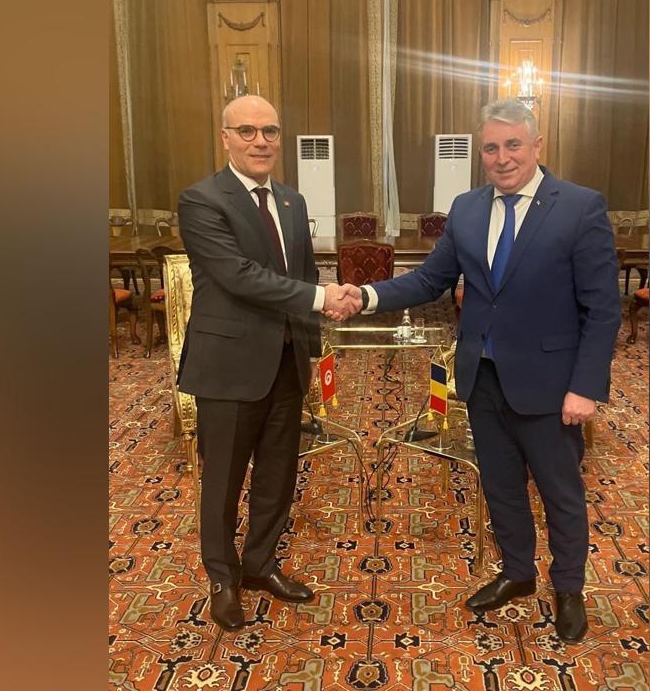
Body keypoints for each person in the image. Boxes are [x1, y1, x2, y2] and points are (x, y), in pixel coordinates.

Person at [345, 99, 620, 642]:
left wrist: (585, 387)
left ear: (537, 145)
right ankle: (517, 572)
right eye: (490, 148)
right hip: (482, 378)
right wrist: (365, 295)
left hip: (550, 385)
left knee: (561, 494)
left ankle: (569, 589)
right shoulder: (467, 208)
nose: (502, 157)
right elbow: (429, 280)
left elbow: (603, 309)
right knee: (501, 485)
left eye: (513, 144)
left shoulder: (579, 207)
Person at [176, 95, 359, 630]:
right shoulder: (202, 200)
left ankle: (259, 564)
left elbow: (303, 276)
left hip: (286, 362)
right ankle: (222, 579)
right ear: (226, 137)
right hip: (228, 367)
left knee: (278, 475)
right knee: (224, 481)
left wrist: (316, 338)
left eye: (270, 131)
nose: (260, 141)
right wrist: (322, 298)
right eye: (248, 131)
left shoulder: (292, 201)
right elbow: (237, 276)